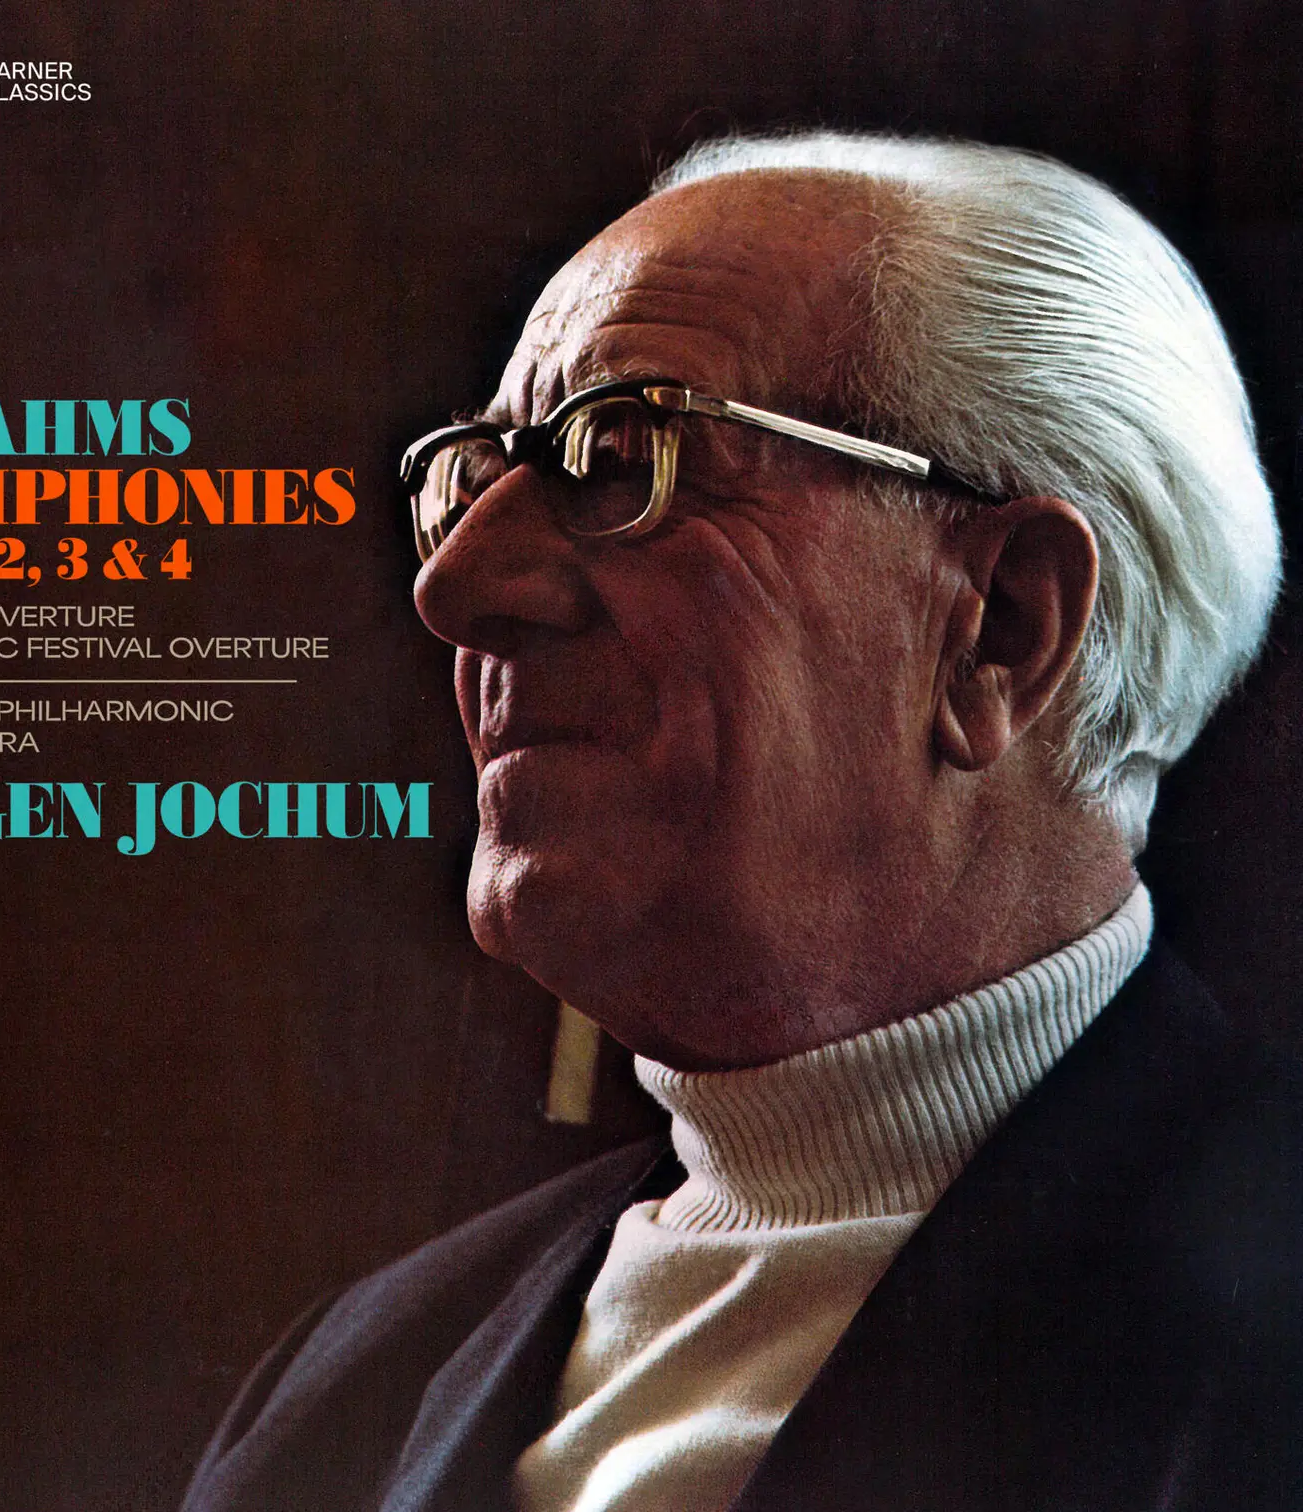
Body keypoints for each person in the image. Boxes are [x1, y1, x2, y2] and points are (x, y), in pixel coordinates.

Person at [181, 132, 1303, 1511]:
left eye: (621, 456)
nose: (457, 588)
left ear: (1001, 626)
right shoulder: (350, 1381)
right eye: (474, 481)